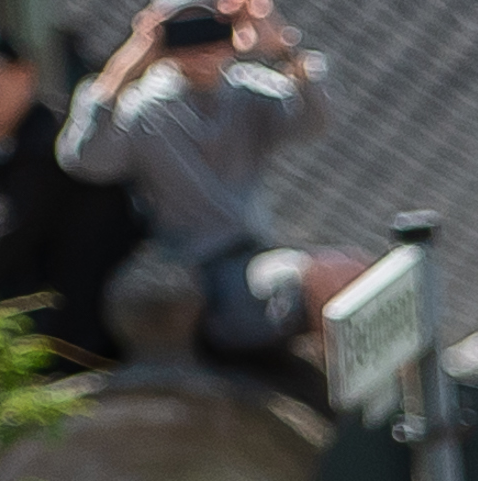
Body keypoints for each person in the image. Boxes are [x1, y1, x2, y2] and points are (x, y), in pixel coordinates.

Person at [54, 1, 353, 372]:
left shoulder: (247, 91)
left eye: (211, 30)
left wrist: (283, 46)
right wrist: (121, 69)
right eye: (184, 34)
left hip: (256, 261)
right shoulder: (145, 109)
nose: (201, 46)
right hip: (193, 282)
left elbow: (317, 119)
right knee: (320, 278)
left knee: (354, 273)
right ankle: (355, 414)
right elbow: (82, 159)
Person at [0, 13, 144, 371]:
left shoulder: (47, 143)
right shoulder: (30, 137)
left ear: (25, 73)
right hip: (67, 318)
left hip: (79, 341)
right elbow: (3, 211)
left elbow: (4, 248)